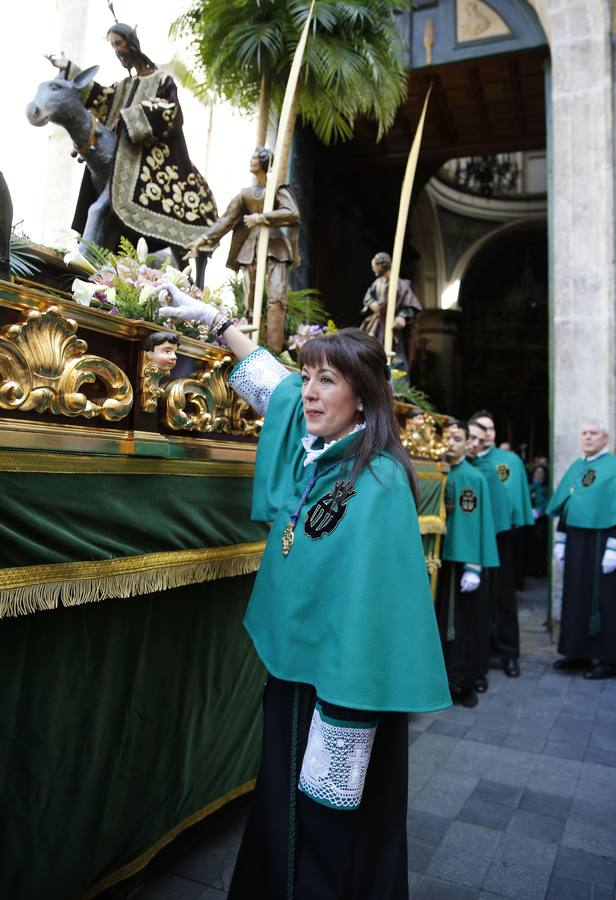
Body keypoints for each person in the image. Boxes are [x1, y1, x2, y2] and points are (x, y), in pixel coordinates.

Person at [158, 283, 450, 899]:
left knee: (325, 832)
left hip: (341, 695)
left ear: (363, 395)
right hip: (300, 678)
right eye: (308, 376)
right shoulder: (328, 450)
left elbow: (373, 614)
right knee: (288, 817)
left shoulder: (377, 481)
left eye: (327, 381)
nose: (310, 392)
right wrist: (217, 322)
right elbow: (281, 393)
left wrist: (344, 725)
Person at [46, 24, 217, 253]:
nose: (117, 50)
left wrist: (131, 118)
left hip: (144, 155)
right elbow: (99, 97)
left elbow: (172, 111)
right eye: (113, 46)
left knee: (102, 205)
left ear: (132, 42)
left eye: (119, 43)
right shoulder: (123, 86)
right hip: (117, 155)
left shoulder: (161, 80)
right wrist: (69, 68)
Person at [187, 147, 300, 353]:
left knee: (276, 299)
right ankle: (252, 347)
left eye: (255, 158)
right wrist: (202, 240)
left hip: (275, 249)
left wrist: (262, 217)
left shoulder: (277, 188)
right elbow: (226, 220)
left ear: (264, 163)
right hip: (250, 251)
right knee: (250, 303)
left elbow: (292, 213)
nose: (252, 161)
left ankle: (274, 351)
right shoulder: (245, 194)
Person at [547, 420, 616, 679]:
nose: (588, 437)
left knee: (606, 599)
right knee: (576, 595)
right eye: (584, 433)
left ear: (605, 438)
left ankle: (610, 659)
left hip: (602, 542)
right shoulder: (577, 466)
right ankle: (578, 652)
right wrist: (561, 540)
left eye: (593, 433)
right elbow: (567, 504)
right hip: (576, 541)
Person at [437, 420, 499, 708]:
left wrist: (474, 566)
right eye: (447, 437)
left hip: (460, 564)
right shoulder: (431, 472)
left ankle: (462, 681)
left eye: (457, 438)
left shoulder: (473, 478)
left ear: (466, 444)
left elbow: (477, 523)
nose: (451, 443)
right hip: (434, 560)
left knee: (462, 625)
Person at [467, 418, 519, 678]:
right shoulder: (459, 463)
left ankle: (509, 653)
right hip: (469, 540)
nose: (482, 437)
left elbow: (501, 505)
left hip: (497, 537)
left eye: (488, 429)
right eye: (477, 432)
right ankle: (479, 658)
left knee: (502, 596)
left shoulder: (491, 466)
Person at [360, 252, 422, 379]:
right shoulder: (377, 283)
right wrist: (371, 303)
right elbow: (368, 297)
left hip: (392, 325)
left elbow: (411, 304)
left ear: (381, 265)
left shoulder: (400, 284)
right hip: (378, 324)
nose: (373, 269)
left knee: (395, 354)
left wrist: (402, 316)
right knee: (372, 350)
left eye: (374, 266)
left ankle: (398, 383)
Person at [526, 463, 549, 577]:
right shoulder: (528, 487)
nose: (539, 475)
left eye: (541, 473)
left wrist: (539, 511)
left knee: (540, 545)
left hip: (541, 521)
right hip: (528, 521)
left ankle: (540, 569)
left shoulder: (546, 489)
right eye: (537, 472)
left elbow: (549, 502)